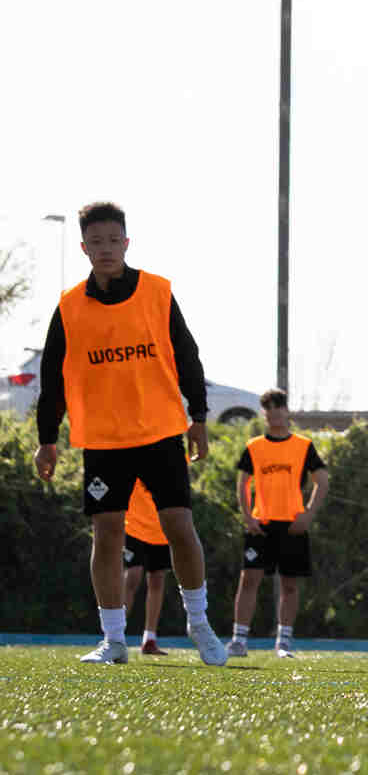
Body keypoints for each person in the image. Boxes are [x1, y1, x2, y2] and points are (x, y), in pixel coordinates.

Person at [33, 201, 230, 665]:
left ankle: (199, 623)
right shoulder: (69, 306)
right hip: (104, 440)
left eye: (113, 240)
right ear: (84, 248)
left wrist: (199, 417)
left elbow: (187, 356)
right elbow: (52, 378)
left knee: (179, 526)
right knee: (107, 535)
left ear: (126, 242)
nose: (105, 249)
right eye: (95, 242)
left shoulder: (157, 292)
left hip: (160, 432)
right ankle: (114, 640)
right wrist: (47, 439)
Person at [230, 389, 328, 659]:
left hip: (292, 525)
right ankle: (239, 641)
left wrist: (308, 514)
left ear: (287, 411)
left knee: (290, 584)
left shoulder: (303, 446)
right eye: (268, 408)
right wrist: (248, 516)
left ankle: (283, 643)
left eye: (278, 407)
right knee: (249, 580)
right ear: (264, 414)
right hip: (260, 525)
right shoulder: (254, 446)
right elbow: (242, 484)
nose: (274, 412)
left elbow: (322, 481)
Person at [121, 480, 172, 656]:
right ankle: (114, 635)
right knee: (132, 576)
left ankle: (149, 639)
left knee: (157, 579)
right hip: (133, 526)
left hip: (160, 529)